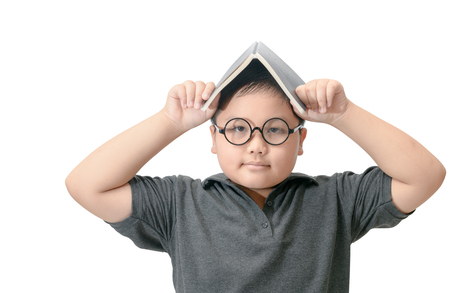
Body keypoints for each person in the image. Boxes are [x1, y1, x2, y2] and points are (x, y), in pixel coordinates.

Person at [65, 60, 445, 292]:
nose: (256, 145)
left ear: (301, 141)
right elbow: (86, 185)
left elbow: (425, 176)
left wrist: (344, 114)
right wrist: (170, 122)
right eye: (238, 129)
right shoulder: (179, 204)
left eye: (276, 129)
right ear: (214, 138)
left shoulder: (337, 199)